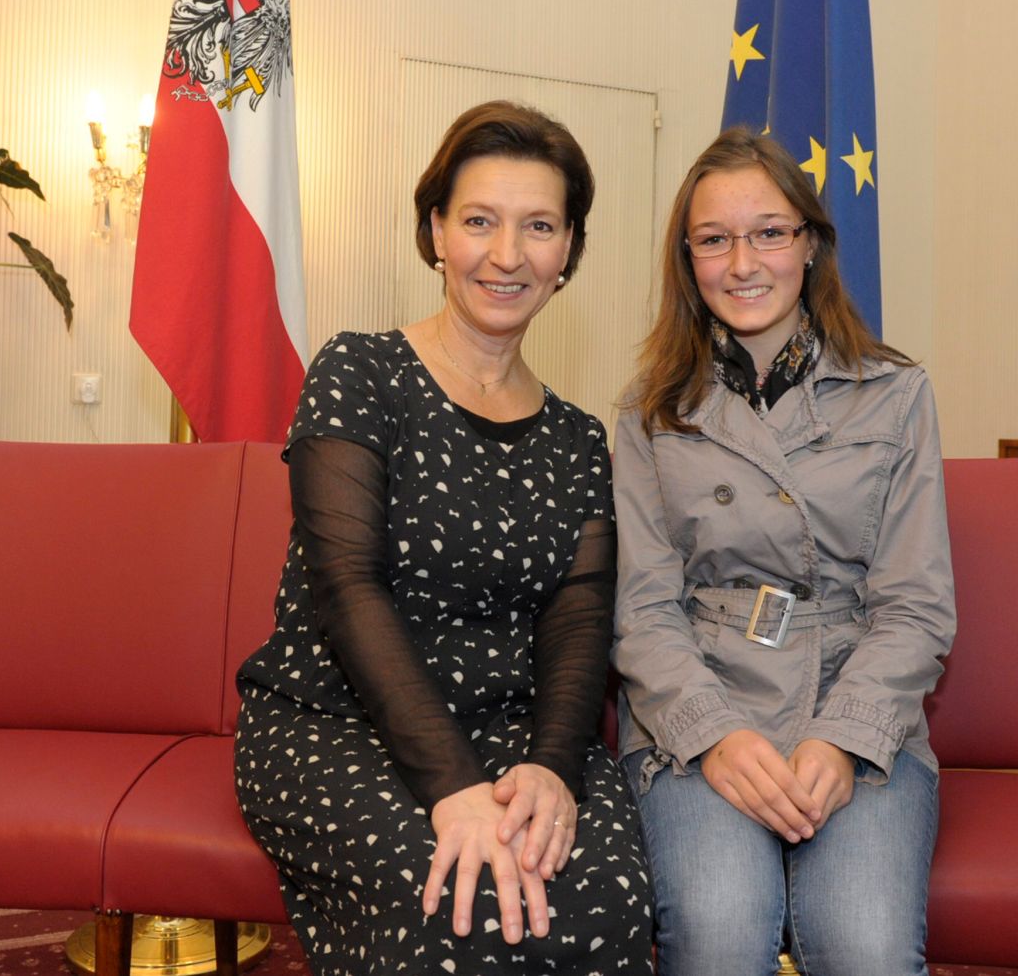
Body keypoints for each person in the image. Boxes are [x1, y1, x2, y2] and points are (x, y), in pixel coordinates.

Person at [235, 100, 652, 976]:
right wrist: (454, 791)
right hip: (339, 722)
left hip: (515, 728)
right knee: (460, 911)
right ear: (435, 230)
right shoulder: (358, 373)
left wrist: (550, 769)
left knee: (604, 899)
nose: (508, 255)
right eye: (479, 222)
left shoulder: (580, 439)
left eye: (539, 225)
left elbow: (579, 622)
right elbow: (347, 590)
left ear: (569, 249)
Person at [612, 128, 955, 976]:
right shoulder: (648, 413)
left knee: (866, 948)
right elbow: (644, 611)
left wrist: (844, 739)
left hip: (857, 706)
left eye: (769, 232)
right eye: (714, 240)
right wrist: (715, 736)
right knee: (721, 933)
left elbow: (915, 605)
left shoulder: (898, 395)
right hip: (699, 713)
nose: (743, 262)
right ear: (687, 260)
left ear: (809, 244)